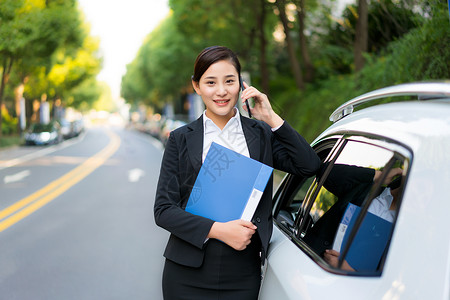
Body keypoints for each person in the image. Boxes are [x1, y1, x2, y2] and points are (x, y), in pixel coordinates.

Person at [154, 46, 320, 299]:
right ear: (196, 86)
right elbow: (164, 210)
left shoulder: (261, 134)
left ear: (241, 85)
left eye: (229, 81)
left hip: (242, 273)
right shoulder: (180, 139)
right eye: (210, 82)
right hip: (186, 272)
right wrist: (220, 230)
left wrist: (272, 118)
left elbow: (309, 165)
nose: (221, 91)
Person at [323, 167, 403, 271]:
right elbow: (326, 174)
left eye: (426, 199)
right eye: (420, 188)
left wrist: (349, 271)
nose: (419, 199)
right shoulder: (367, 188)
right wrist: (380, 176)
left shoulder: (405, 230)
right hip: (314, 258)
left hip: (351, 283)